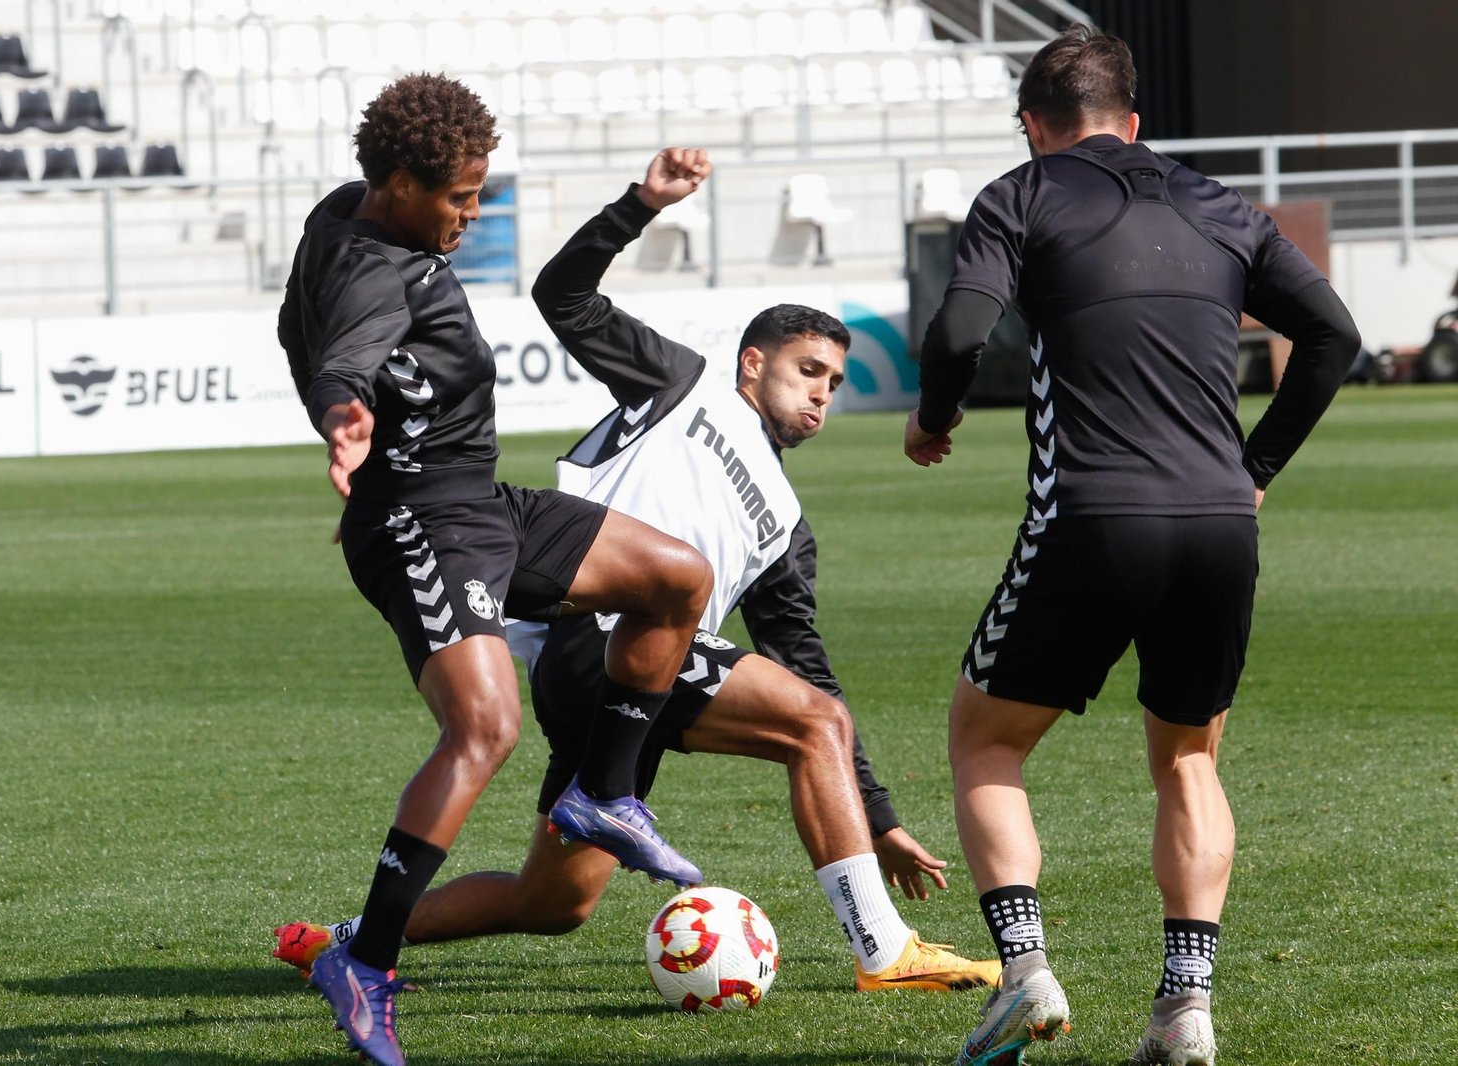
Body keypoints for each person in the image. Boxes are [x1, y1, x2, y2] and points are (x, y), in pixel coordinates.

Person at [273, 148, 1001, 996]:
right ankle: (885, 950)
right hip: (600, 632)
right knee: (811, 725)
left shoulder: (787, 529)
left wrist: (875, 815)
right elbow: (564, 297)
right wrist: (638, 205)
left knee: (552, 901)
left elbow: (804, 659)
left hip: (644, 683)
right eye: (808, 370)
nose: (821, 396)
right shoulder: (682, 382)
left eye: (836, 384)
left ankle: (345, 938)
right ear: (753, 361)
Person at [902, 26, 1360, 1066]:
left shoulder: (1018, 196)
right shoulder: (1219, 204)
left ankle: (1022, 973)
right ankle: (1184, 1008)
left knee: (985, 741)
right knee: (1188, 757)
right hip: (1217, 522)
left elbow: (960, 334)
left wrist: (933, 419)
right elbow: (1333, 335)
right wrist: (1257, 468)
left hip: (1093, 515)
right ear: (1135, 123)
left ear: (1032, 128)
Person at [277, 76, 721, 1066]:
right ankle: (367, 960)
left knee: (675, 579)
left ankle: (603, 792)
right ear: (397, 183)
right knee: (483, 726)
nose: (471, 216)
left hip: (483, 505)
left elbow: (312, 307)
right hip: (416, 523)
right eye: (457, 199)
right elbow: (344, 350)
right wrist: (343, 414)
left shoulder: (349, 213)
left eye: (478, 194)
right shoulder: (367, 262)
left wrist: (635, 204)